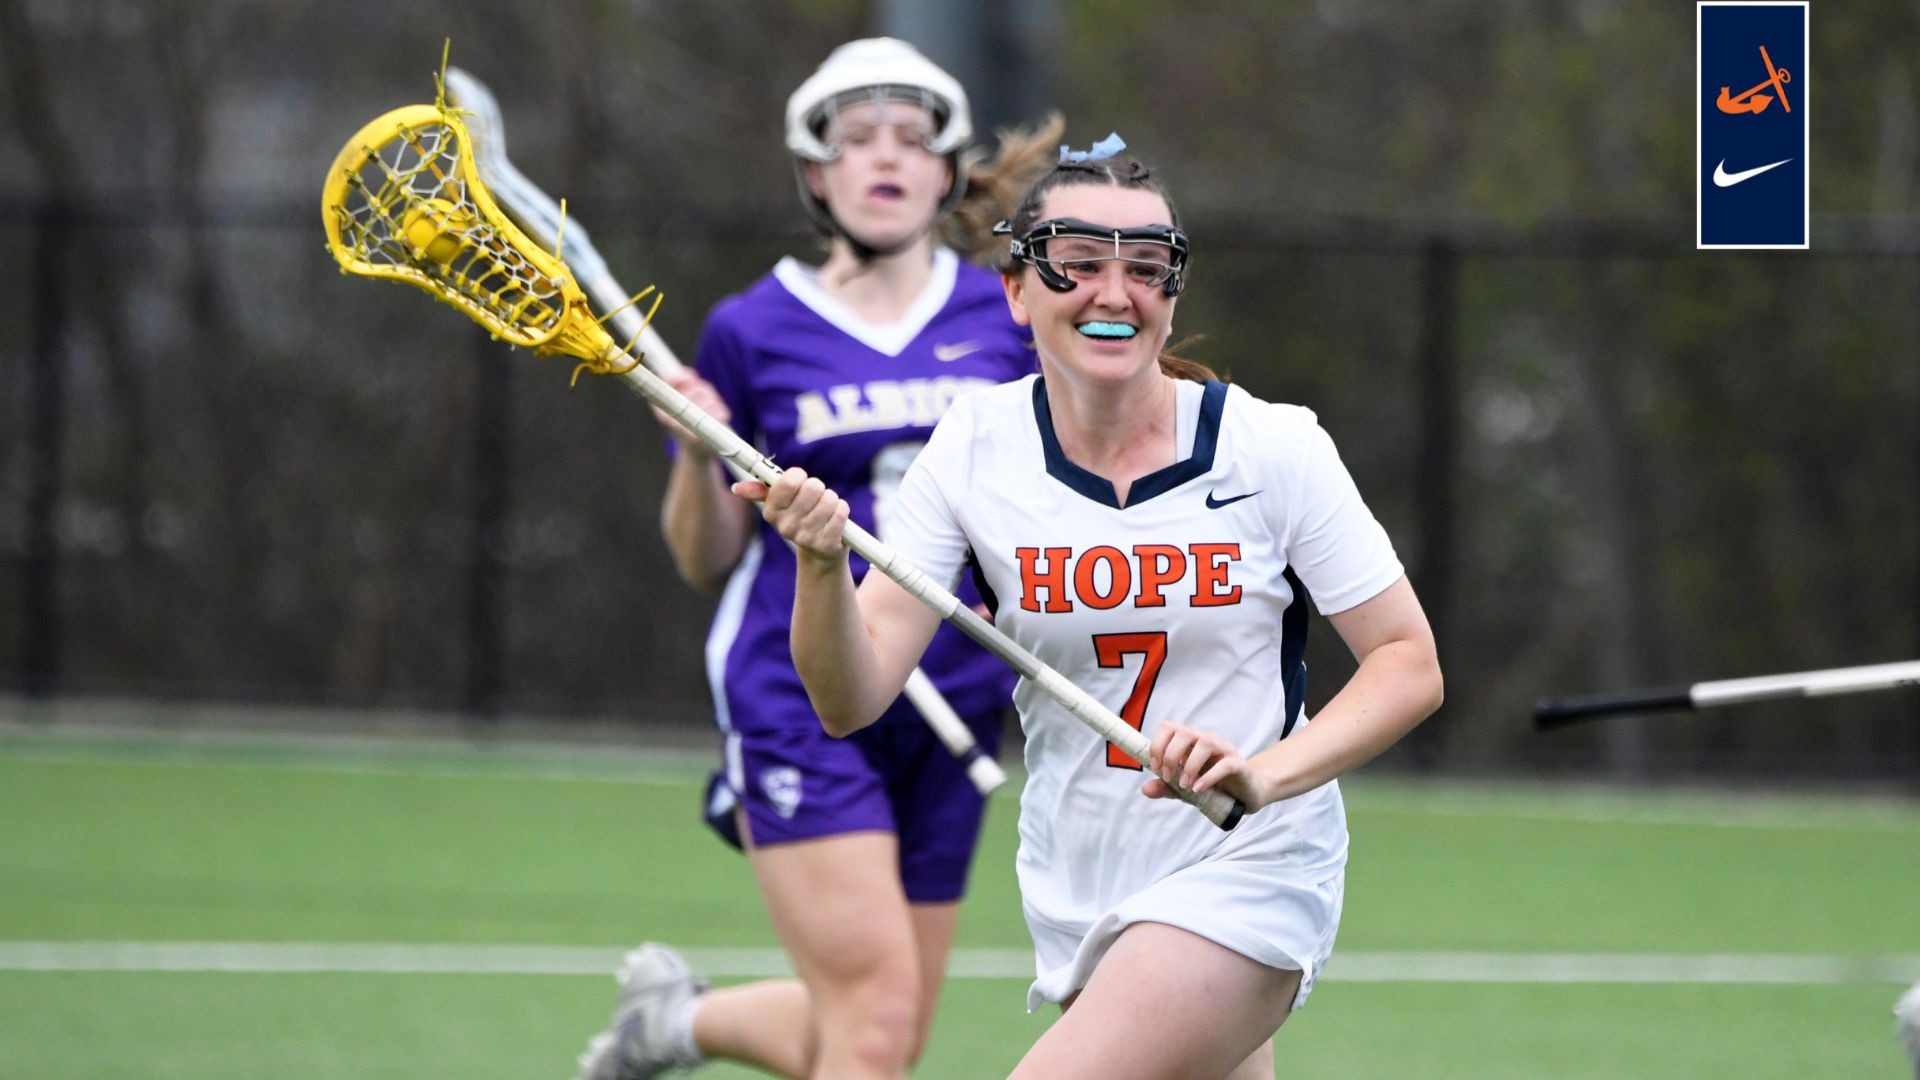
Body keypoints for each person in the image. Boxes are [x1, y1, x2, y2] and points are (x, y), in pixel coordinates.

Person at [744, 143, 1445, 1080]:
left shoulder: (1272, 448)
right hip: (1082, 883)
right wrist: (820, 567)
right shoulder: (973, 450)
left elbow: (1407, 662)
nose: (1115, 293)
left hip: (1250, 868)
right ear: (1017, 291)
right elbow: (850, 696)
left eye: (1146, 268)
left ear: (1172, 294)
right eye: (1077, 262)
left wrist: (1265, 775)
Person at [575, 38, 1061, 1080]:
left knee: (883, 1031)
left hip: (956, 689)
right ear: (814, 171)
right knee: (874, 1026)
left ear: (946, 169)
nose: (884, 155)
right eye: (856, 137)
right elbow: (706, 558)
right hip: (799, 690)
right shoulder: (750, 328)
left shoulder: (1005, 315)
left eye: (910, 137)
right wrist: (695, 456)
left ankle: (676, 1024)